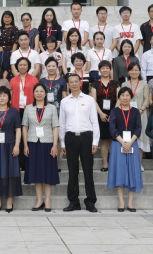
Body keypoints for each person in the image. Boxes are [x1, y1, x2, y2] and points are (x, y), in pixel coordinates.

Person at [60, 73, 99, 212]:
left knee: (88, 170)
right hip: (70, 137)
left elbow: (94, 122)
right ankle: (74, 202)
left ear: (80, 82)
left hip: (86, 137)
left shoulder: (89, 100)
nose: (74, 84)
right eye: (71, 82)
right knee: (72, 171)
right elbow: (62, 124)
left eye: (76, 81)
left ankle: (90, 202)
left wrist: (95, 141)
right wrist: (62, 143)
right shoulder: (64, 102)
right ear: (68, 84)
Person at [22, 83, 59, 211]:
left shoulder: (52, 108)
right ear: (33, 93)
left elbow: (55, 127)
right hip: (33, 143)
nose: (39, 93)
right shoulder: (28, 108)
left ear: (45, 93)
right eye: (36, 91)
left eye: (41, 91)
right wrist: (25, 145)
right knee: (37, 172)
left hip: (48, 143)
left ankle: (47, 200)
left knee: (47, 172)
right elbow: (25, 127)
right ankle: (39, 200)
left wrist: (55, 145)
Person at [0, 87, 22, 212]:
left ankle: (9, 201)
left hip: (10, 145)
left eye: (4, 95)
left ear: (9, 97)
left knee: (10, 173)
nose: (2, 98)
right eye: (0, 95)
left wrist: (17, 145)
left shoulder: (14, 111)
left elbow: (18, 129)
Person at [108, 87, 143, 211]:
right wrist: (123, 142)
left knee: (132, 172)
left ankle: (130, 203)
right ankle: (121, 202)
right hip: (118, 144)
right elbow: (112, 129)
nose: (125, 97)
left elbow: (138, 128)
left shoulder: (135, 111)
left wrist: (130, 142)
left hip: (132, 144)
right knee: (120, 172)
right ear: (119, 97)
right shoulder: (114, 111)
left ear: (131, 97)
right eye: (122, 95)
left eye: (127, 95)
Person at [90, 60, 119, 172]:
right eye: (103, 68)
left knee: (113, 139)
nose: (105, 70)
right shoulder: (95, 84)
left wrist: (113, 114)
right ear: (99, 70)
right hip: (100, 113)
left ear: (110, 70)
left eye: (107, 68)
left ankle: (113, 163)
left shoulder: (116, 83)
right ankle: (105, 164)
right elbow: (93, 100)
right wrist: (101, 114)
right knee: (104, 140)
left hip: (114, 113)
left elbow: (119, 99)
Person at [121, 63, 150, 170]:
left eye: (136, 70)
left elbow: (146, 100)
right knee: (128, 137)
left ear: (139, 71)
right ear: (128, 72)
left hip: (140, 114)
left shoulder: (144, 84)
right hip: (126, 114)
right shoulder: (124, 84)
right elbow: (121, 99)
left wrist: (140, 111)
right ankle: (127, 163)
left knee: (140, 138)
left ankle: (138, 164)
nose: (134, 72)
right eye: (132, 70)